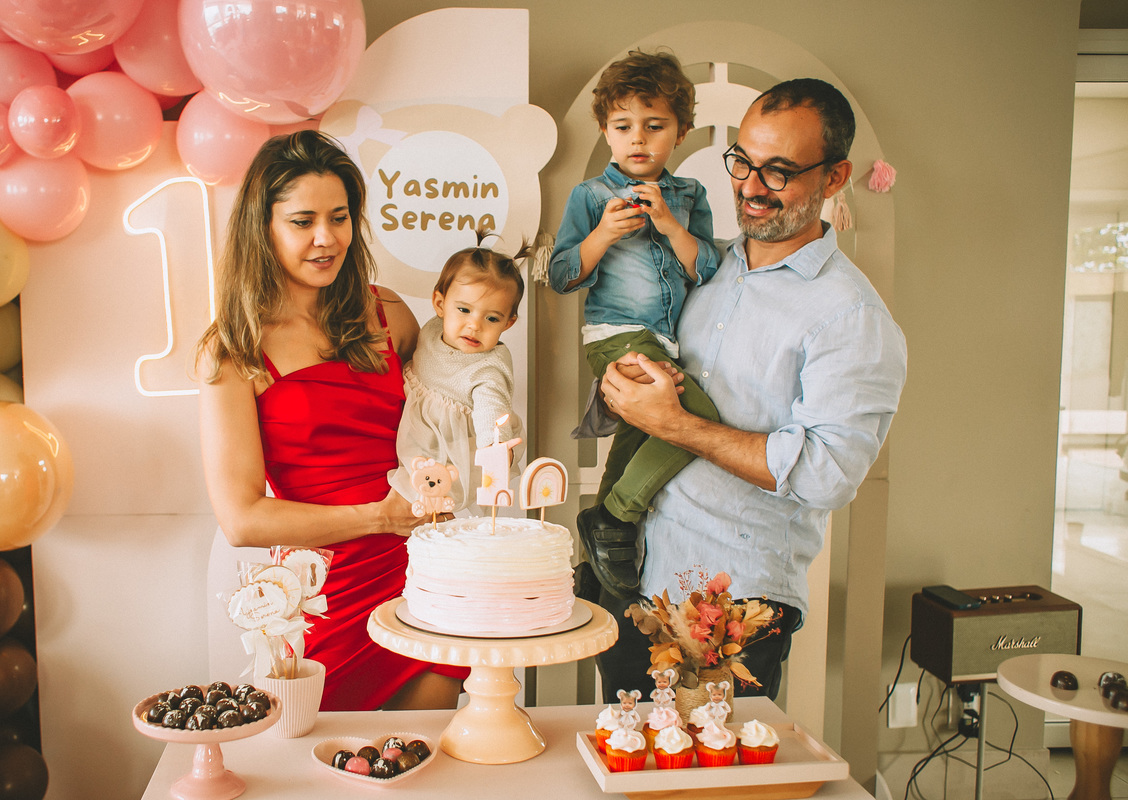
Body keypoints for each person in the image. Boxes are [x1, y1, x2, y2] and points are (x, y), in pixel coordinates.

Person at [593, 78, 907, 702]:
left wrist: (674, 424)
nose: (751, 186)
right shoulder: (707, 267)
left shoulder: (851, 317)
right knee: (629, 774)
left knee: (715, 786)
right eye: (743, 161)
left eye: (779, 171)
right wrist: (626, 387)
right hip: (637, 576)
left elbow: (827, 474)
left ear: (836, 177)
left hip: (734, 608)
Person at [196, 130, 466, 711]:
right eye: (303, 221)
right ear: (262, 227)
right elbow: (242, 519)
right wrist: (378, 517)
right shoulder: (234, 351)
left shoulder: (389, 312)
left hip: (417, 579)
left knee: (423, 768)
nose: (326, 239)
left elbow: (442, 423)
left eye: (339, 217)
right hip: (322, 597)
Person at [548, 49, 721, 601]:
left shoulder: (690, 197)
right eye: (623, 127)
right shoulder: (591, 196)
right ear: (606, 131)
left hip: (669, 341)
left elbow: (708, 269)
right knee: (698, 418)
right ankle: (617, 520)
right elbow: (560, 276)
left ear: (682, 132)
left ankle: (595, 556)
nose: (638, 139)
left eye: (655, 126)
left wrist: (671, 225)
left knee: (639, 432)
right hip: (617, 336)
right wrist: (600, 235)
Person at [388, 236, 526, 513]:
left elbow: (492, 409)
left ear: (509, 323)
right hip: (412, 420)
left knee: (428, 492)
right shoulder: (433, 328)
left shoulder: (489, 368)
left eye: (492, 318)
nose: (473, 325)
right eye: (464, 310)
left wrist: (495, 447)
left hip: (447, 445)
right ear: (440, 304)